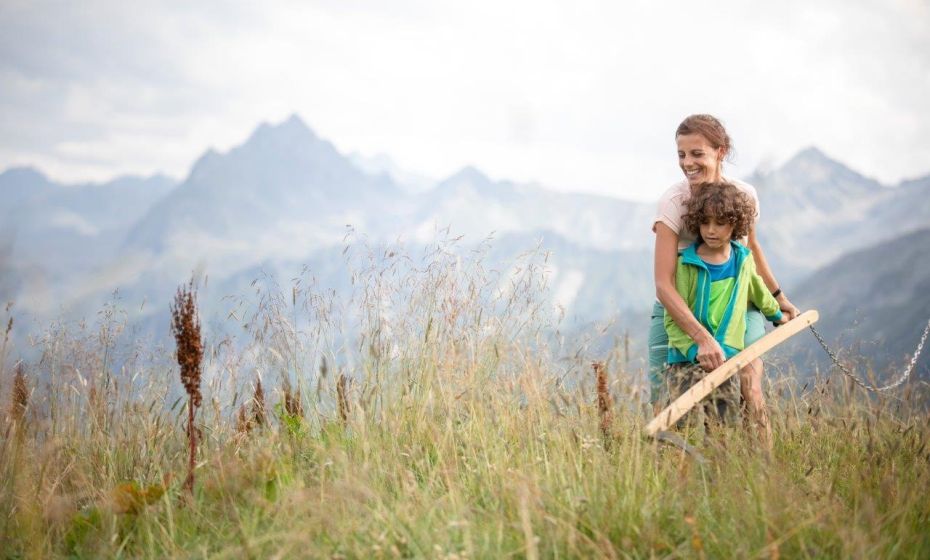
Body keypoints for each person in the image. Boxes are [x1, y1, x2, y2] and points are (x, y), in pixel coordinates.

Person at [649, 114, 799, 445]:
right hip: (680, 305)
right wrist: (701, 338)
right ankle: (672, 475)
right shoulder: (674, 202)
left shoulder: (744, 194)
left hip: (737, 304)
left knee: (750, 383)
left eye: (696, 153)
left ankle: (761, 471)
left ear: (721, 151)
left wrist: (778, 297)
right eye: (681, 155)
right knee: (666, 399)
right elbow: (663, 283)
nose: (687, 162)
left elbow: (751, 250)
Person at [663, 182, 787, 433]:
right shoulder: (686, 264)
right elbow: (672, 319)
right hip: (686, 361)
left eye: (720, 223)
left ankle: (718, 471)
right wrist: (693, 351)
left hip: (727, 361)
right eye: (705, 222)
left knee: (721, 430)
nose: (710, 230)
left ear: (736, 224)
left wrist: (777, 313)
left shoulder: (742, 260)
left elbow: (758, 292)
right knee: (680, 429)